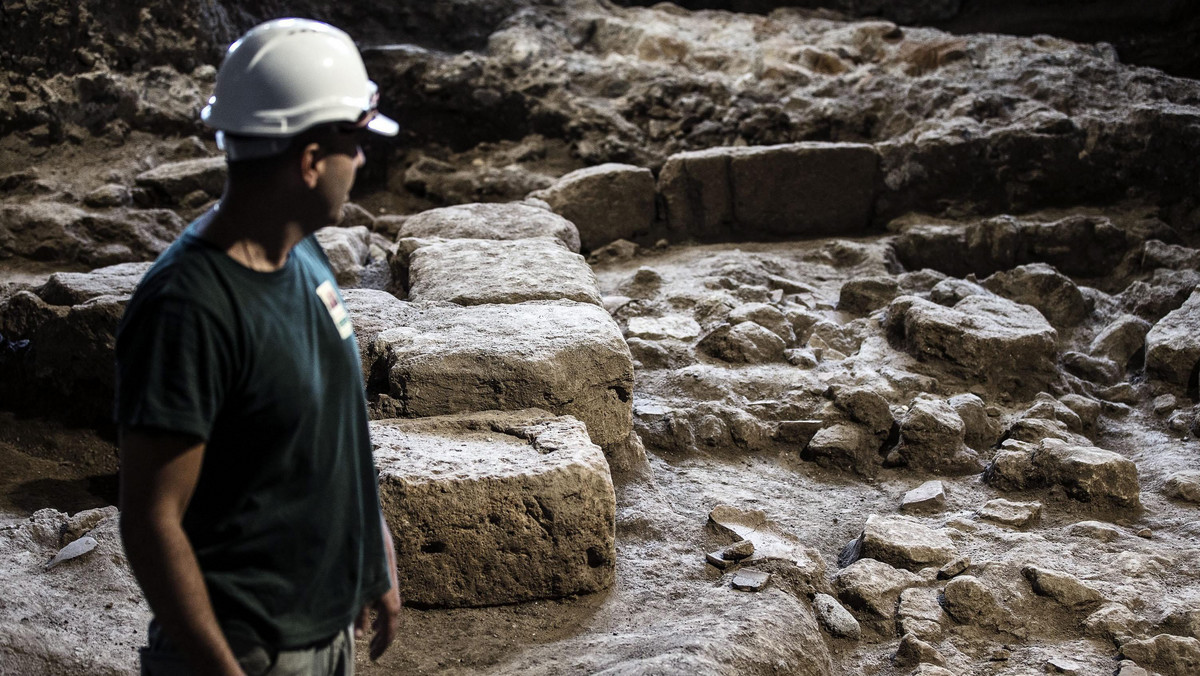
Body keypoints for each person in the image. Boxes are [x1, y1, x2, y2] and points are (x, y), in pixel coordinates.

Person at [115, 18, 402, 676]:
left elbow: (335, 424)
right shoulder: (187, 307)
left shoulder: (301, 251)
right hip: (248, 648)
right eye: (353, 143)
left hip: (322, 630)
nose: (360, 161)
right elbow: (151, 519)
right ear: (307, 160)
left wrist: (372, 550)